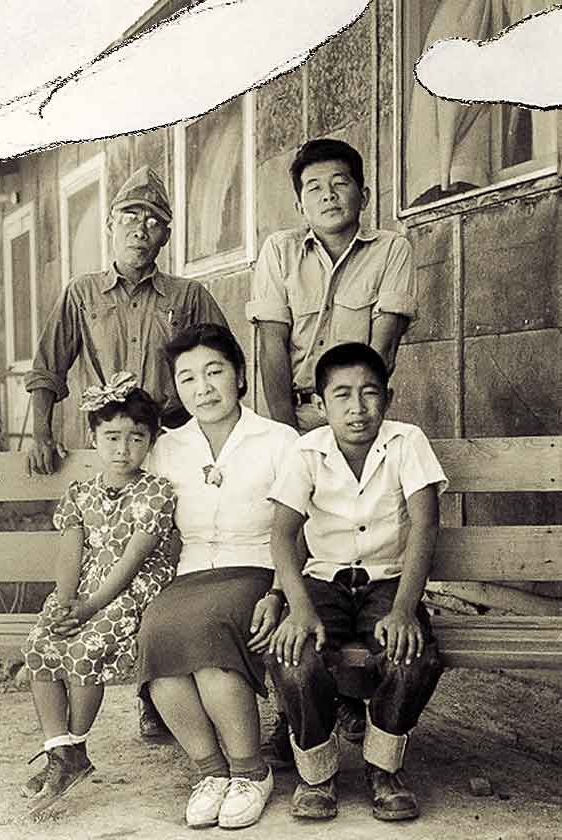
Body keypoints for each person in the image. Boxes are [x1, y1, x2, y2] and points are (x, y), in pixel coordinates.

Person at [265, 342, 447, 822]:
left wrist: (405, 609)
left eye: (369, 393)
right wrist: (299, 608)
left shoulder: (407, 442)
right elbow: (282, 534)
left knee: (414, 655)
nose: (357, 407)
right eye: (341, 395)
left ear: (387, 397)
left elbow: (425, 525)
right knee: (293, 655)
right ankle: (317, 772)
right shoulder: (306, 451)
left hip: (388, 582)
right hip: (323, 581)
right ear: (320, 404)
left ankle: (383, 767)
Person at [135, 323, 299, 830]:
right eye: (187, 378)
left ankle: (251, 773)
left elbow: (300, 528)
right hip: (187, 577)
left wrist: (280, 592)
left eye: (214, 372)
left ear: (240, 376)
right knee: (157, 641)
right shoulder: (166, 448)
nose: (202, 388)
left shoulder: (279, 440)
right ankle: (210, 771)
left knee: (209, 646)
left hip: (255, 570)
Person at [20, 373, 176, 814]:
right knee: (41, 645)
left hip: (131, 590)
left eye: (135, 438)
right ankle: (63, 754)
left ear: (151, 441)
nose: (122, 449)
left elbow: (131, 562)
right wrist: (66, 602)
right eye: (111, 437)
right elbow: (70, 553)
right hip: (83, 590)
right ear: (94, 437)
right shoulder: (80, 493)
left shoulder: (156, 492)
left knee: (86, 650)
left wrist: (89, 608)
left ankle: (74, 748)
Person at [25, 164, 228, 476]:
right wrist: (41, 436)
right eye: (130, 217)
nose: (140, 230)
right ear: (110, 225)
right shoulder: (82, 293)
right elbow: (47, 369)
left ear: (166, 236)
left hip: (172, 443)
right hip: (105, 446)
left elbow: (223, 368)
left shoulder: (189, 295)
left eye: (153, 222)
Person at [246, 137, 417, 434]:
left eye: (340, 183)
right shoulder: (278, 250)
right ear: (300, 206)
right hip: (296, 415)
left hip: (359, 417)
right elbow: (271, 346)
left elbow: (384, 350)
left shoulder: (392, 249)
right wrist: (287, 434)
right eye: (314, 187)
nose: (328, 195)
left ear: (364, 196)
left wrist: (352, 427)